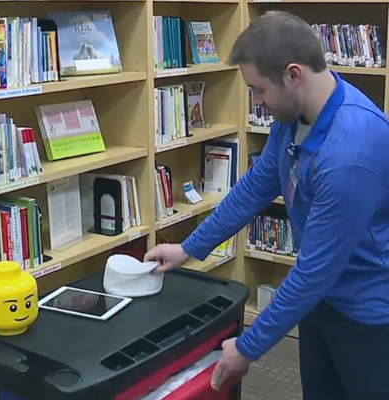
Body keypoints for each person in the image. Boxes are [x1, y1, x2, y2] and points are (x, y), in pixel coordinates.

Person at [144, 10, 389, 400]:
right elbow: (255, 187)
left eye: (259, 90)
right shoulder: (295, 115)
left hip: (368, 316)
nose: (257, 101)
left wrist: (248, 346)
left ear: (293, 75)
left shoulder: (350, 154)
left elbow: (314, 272)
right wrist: (189, 248)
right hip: (321, 304)